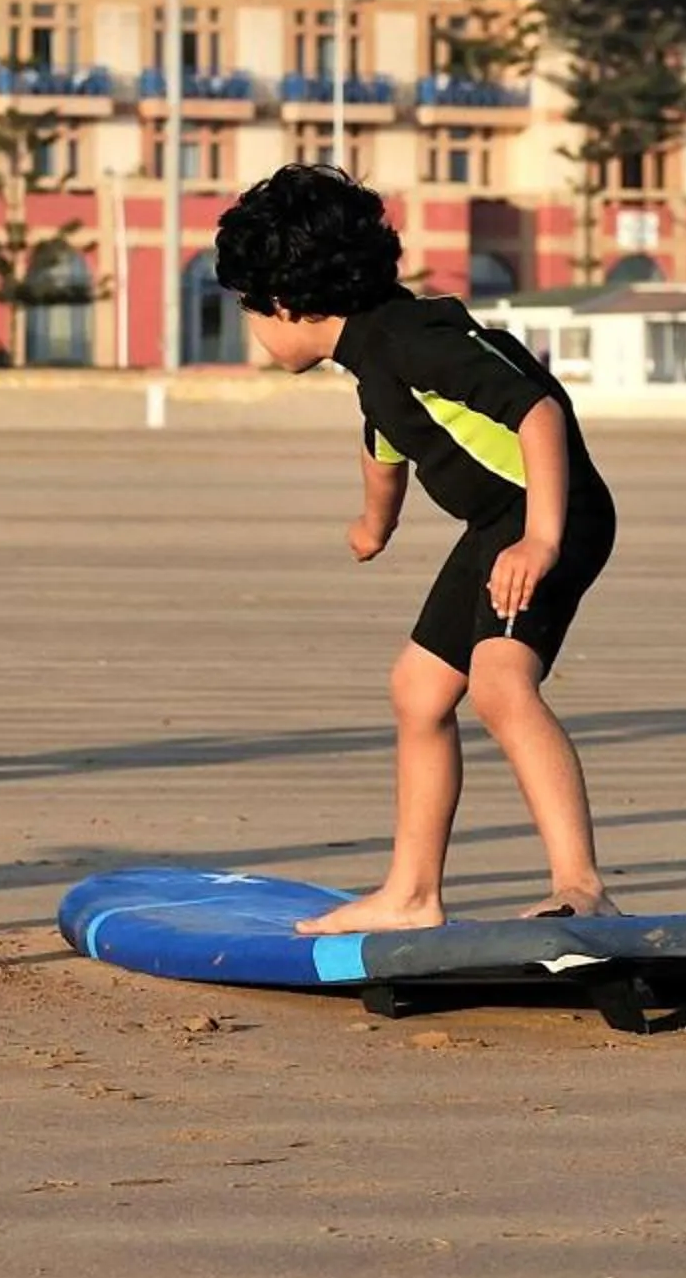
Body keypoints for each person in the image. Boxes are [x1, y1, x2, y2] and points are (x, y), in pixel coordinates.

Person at [214, 163, 618, 933]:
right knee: (419, 691)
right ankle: (411, 895)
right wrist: (376, 524)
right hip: (496, 527)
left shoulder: (415, 342)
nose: (252, 326)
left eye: (249, 307)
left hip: (546, 518)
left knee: (502, 685)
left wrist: (541, 538)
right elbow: (386, 442)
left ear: (290, 304)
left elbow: (536, 410)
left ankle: (582, 887)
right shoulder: (377, 353)